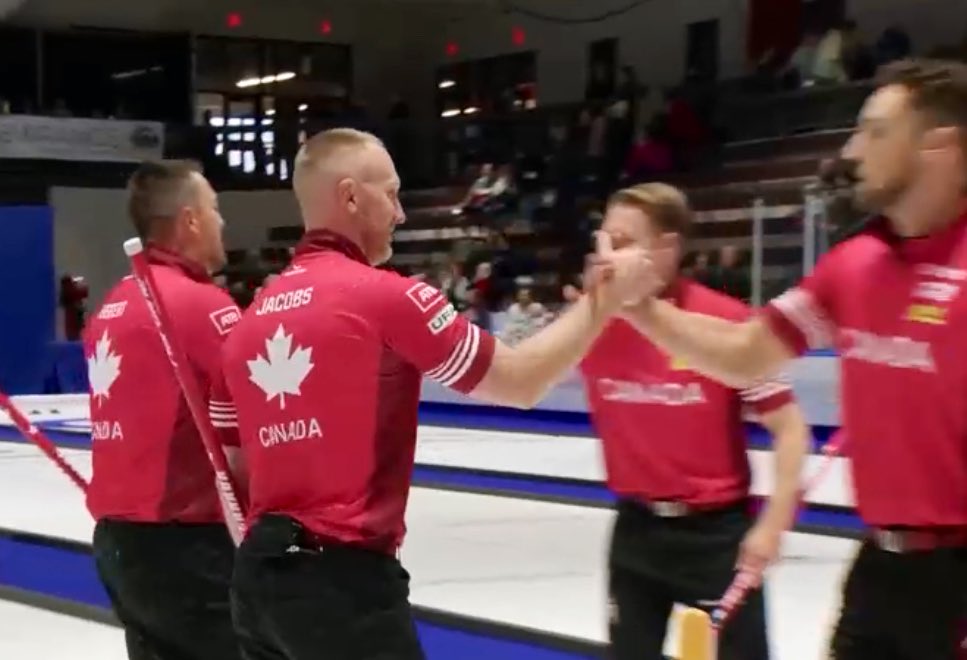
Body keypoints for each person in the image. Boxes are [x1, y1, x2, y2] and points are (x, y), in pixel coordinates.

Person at [221, 127, 651, 660]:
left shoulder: (247, 324)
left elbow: (235, 470)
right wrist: (602, 302)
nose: (401, 214)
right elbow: (519, 381)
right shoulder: (387, 298)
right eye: (391, 194)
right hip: (342, 584)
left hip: (257, 581)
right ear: (351, 196)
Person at [620, 59, 967, 660]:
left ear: (938, 146)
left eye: (876, 132)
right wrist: (640, 308)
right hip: (879, 570)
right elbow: (743, 355)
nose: (853, 150)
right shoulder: (853, 264)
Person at [573, 183, 809, 660]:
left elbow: (790, 429)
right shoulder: (591, 321)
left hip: (715, 537)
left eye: (622, 242)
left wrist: (772, 527)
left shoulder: (727, 325)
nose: (606, 255)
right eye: (604, 240)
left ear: (667, 248)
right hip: (636, 529)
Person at [83, 160, 245, 660]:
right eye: (215, 209)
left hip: (119, 541)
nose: (222, 221)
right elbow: (255, 416)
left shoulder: (111, 307)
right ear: (190, 220)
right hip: (187, 542)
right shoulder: (203, 306)